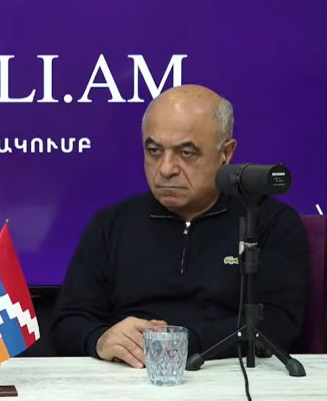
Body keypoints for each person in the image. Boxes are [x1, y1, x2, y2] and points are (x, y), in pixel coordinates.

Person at [50, 85, 308, 368]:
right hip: (127, 375)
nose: (166, 169)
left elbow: (280, 324)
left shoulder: (269, 223)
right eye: (154, 151)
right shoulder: (110, 225)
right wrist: (101, 339)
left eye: (186, 152)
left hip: (226, 373)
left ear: (226, 152)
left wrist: (179, 342)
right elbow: (66, 323)